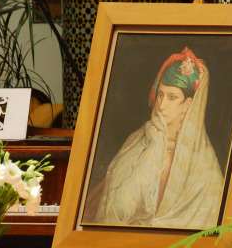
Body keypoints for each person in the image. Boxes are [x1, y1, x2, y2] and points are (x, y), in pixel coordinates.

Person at [93, 46, 224, 229]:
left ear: (187, 104)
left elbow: (209, 222)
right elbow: (117, 212)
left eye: (172, 97)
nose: (161, 105)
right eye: (160, 95)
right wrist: (153, 151)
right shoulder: (139, 141)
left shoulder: (205, 162)